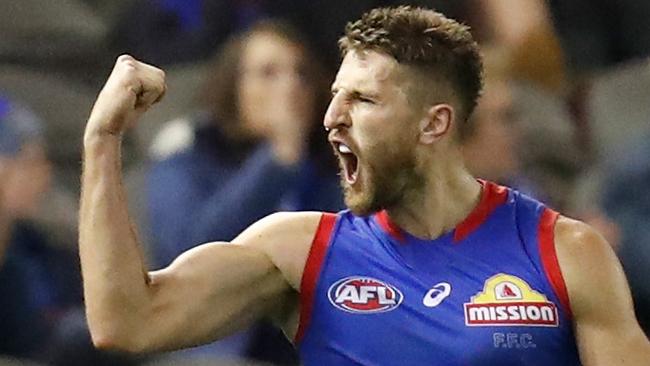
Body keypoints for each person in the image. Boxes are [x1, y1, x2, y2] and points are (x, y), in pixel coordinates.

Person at [79, 6, 650, 365]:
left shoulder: (564, 253)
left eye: (363, 100)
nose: (330, 117)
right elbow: (127, 322)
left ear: (435, 123)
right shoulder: (298, 252)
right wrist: (102, 142)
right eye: (334, 95)